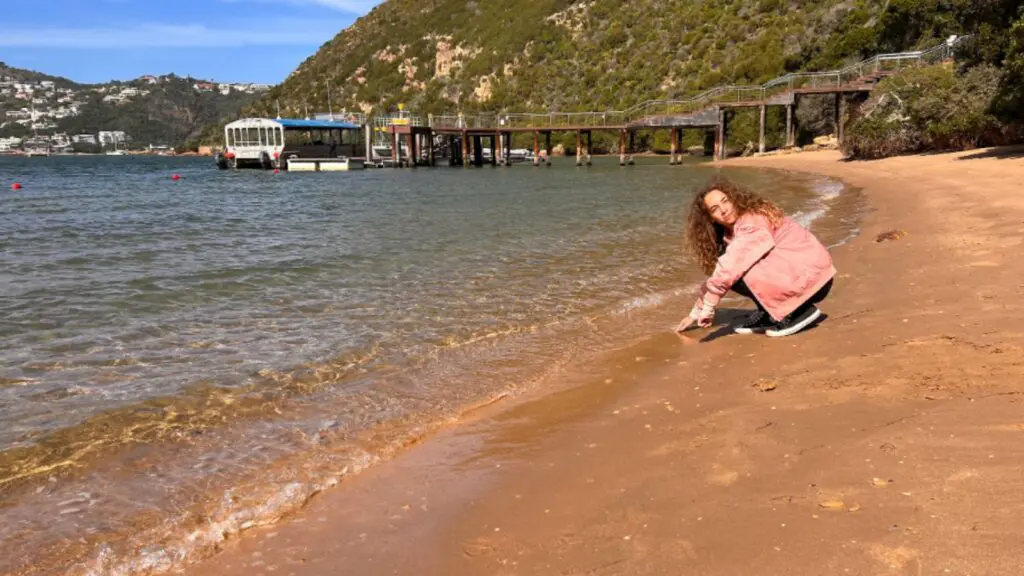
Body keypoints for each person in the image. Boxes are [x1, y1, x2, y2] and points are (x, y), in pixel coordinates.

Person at [675, 175, 836, 338]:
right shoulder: (728, 234)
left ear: (734, 199)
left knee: (736, 271)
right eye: (715, 209)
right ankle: (769, 312)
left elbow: (730, 267)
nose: (723, 209)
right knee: (730, 266)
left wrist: (709, 307)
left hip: (814, 279)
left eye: (725, 201)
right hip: (804, 275)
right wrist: (695, 313)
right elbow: (722, 270)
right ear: (710, 218)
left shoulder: (751, 221)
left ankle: (799, 312)